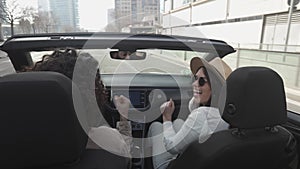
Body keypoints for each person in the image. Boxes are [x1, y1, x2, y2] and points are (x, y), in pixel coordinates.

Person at [29, 48, 132, 157]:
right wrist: (123, 118)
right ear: (89, 98)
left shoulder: (20, 141)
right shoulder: (105, 139)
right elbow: (126, 155)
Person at [147, 57, 229, 169]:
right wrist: (199, 94)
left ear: (215, 87)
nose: (194, 84)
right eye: (195, 78)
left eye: (201, 81)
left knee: (155, 126)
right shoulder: (228, 113)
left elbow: (171, 147)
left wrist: (166, 118)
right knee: (179, 121)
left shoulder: (201, 115)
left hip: (176, 165)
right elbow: (193, 108)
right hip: (201, 161)